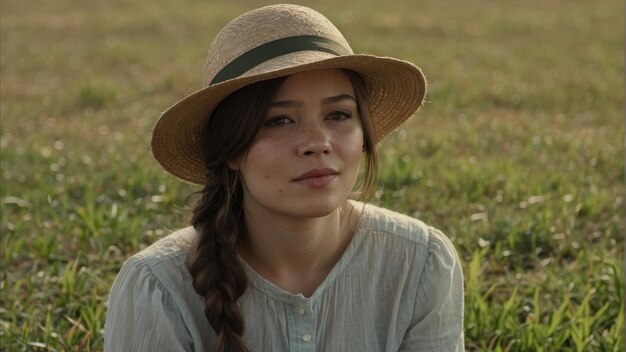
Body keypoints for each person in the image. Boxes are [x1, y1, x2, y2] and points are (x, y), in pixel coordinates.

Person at [104, 4, 464, 351]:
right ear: (231, 149)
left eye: (339, 114)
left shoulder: (420, 263)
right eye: (279, 120)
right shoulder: (159, 289)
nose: (317, 143)